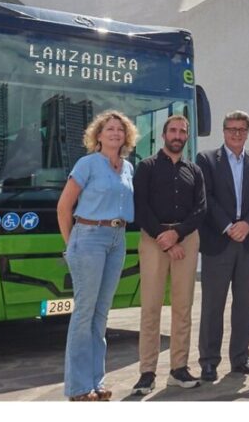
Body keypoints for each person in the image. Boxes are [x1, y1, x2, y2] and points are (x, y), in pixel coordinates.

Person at [56, 110, 138, 401]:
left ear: (126, 136)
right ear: (98, 135)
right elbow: (64, 207)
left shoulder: (128, 168)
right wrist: (72, 245)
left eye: (120, 129)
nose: (115, 133)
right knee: (84, 313)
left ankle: (96, 382)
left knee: (101, 314)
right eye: (109, 129)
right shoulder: (87, 163)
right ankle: (79, 387)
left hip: (117, 239)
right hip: (89, 236)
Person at [130, 114, 206, 394]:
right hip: (153, 238)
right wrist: (164, 238)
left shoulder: (194, 171)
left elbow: (201, 208)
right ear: (163, 135)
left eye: (182, 131)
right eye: (173, 130)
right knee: (151, 307)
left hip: (186, 239)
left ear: (186, 136)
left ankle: (178, 369)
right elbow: (140, 206)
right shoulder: (147, 167)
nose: (177, 135)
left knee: (183, 306)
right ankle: (147, 372)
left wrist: (178, 234)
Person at [196, 110, 249, 379]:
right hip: (218, 241)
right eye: (231, 129)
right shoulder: (206, 159)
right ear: (224, 131)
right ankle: (208, 361)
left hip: (248, 242)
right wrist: (228, 226)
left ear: (247, 132)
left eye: (241, 129)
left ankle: (240, 358)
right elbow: (206, 197)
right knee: (213, 305)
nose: (236, 134)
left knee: (245, 304)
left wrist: (247, 224)